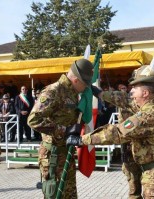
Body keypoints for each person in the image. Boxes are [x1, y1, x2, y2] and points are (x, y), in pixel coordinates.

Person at [67, 64, 154, 198]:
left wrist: (82, 139)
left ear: (145, 93)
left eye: (135, 88)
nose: (132, 92)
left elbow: (118, 133)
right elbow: (125, 100)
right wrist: (99, 93)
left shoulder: (150, 115)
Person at [27, 58, 94, 199]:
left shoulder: (73, 93)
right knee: (55, 195)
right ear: (76, 79)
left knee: (69, 194)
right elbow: (33, 120)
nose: (87, 87)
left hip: (66, 153)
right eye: (85, 83)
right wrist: (64, 130)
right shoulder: (54, 91)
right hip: (53, 155)